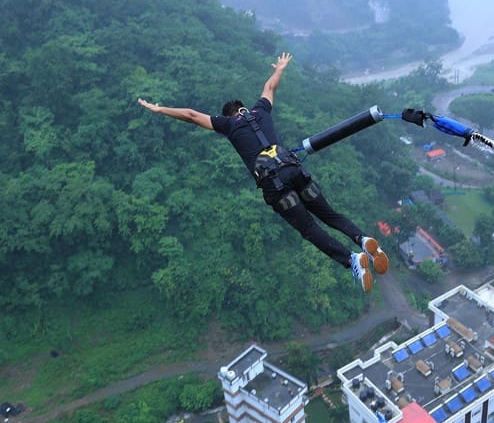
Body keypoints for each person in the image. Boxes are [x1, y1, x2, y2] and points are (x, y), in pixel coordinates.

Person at [137, 52, 388, 292]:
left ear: (228, 116)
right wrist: (279, 69)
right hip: (294, 169)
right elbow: (270, 87)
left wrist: (160, 110)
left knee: (310, 229)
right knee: (330, 215)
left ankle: (352, 260)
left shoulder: (227, 124)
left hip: (275, 185)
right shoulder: (260, 110)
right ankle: (363, 240)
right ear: (243, 108)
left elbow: (191, 115)